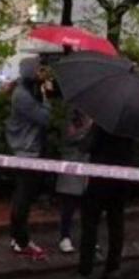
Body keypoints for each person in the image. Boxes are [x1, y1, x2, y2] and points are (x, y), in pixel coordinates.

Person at [65, 125, 135, 279]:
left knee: (89, 224)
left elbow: (86, 146)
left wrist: (82, 132)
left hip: (100, 181)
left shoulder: (103, 122)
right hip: (122, 180)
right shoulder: (130, 125)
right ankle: (113, 268)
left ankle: (84, 272)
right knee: (116, 222)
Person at [6, 56, 52, 260]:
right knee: (23, 198)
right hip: (27, 152)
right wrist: (46, 97)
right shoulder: (23, 96)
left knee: (24, 197)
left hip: (29, 150)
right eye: (38, 71)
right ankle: (21, 240)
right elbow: (45, 118)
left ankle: (18, 238)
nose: (41, 75)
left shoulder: (25, 92)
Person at [56, 108, 91, 254]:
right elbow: (68, 137)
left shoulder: (93, 115)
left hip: (88, 166)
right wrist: (87, 130)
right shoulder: (71, 115)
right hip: (71, 164)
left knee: (88, 207)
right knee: (68, 205)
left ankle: (89, 239)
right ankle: (65, 237)